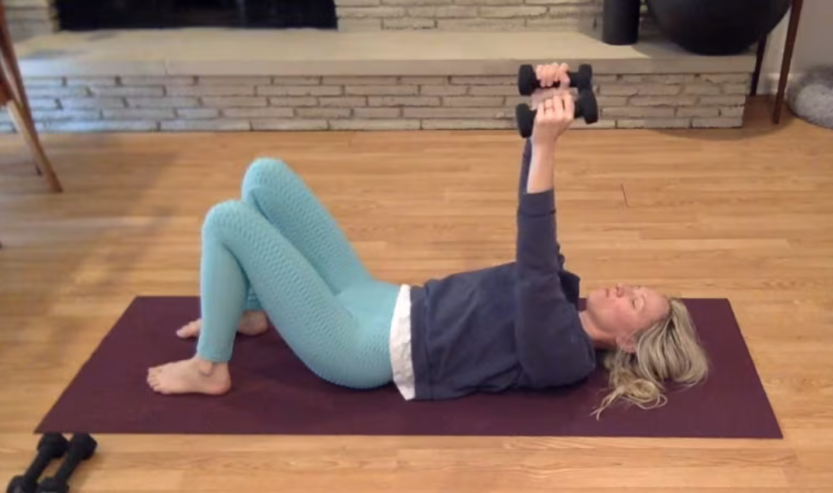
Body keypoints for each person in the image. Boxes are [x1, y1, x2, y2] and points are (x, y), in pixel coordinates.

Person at [147, 63, 709, 416]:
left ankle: (209, 367)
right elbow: (540, 234)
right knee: (264, 176)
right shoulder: (564, 297)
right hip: (385, 299)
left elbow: (534, 257)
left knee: (226, 219)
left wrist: (549, 146)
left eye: (634, 301)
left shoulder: (565, 356)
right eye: (635, 286)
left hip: (361, 348)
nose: (622, 288)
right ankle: (250, 311)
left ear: (631, 344)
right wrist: (539, 121)